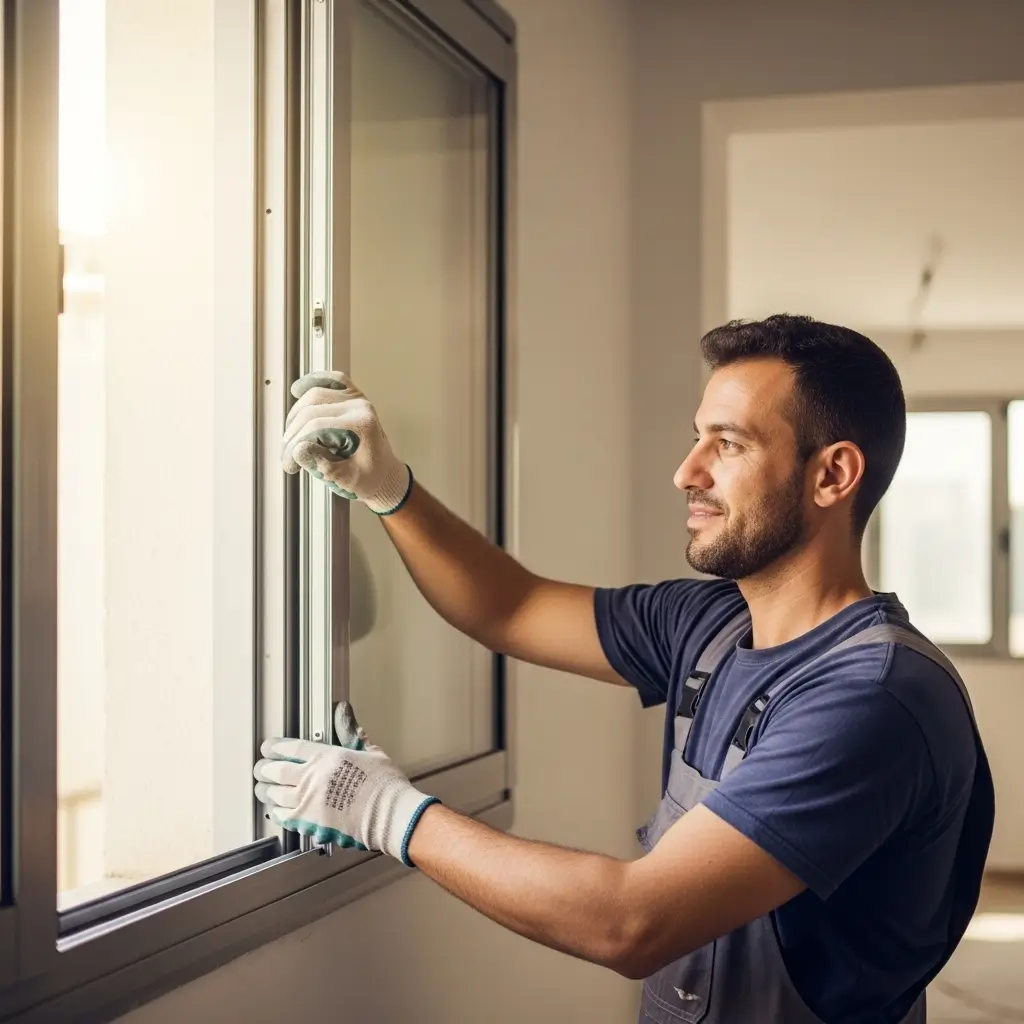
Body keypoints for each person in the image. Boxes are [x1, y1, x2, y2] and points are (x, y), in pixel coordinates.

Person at [254, 314, 994, 1024]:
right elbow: (509, 607)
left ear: (832, 474)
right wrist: (388, 487)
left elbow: (634, 921)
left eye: (728, 444)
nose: (686, 472)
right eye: (697, 438)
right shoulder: (710, 624)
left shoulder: (874, 698)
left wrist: (384, 812)